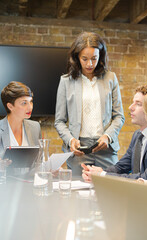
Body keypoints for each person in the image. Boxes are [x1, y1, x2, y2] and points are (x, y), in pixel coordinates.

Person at [55, 32, 125, 175]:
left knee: (108, 192)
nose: (89, 64)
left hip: (106, 148)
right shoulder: (66, 81)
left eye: (94, 58)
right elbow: (59, 121)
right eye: (84, 59)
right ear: (77, 57)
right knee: (77, 193)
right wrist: (70, 140)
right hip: (79, 149)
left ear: (100, 56)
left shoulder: (110, 78)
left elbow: (119, 116)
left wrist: (108, 136)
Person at [81, 85, 147, 181]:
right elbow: (121, 167)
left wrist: (103, 175)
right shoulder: (137, 135)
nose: (130, 107)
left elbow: (146, 178)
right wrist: (96, 174)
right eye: (133, 103)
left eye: (138, 104)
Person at [0, 81, 41, 175]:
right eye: (24, 103)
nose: (30, 107)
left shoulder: (35, 127)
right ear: (10, 106)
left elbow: (39, 162)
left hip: (29, 185)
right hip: (2, 186)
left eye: (31, 102)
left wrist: (50, 168)